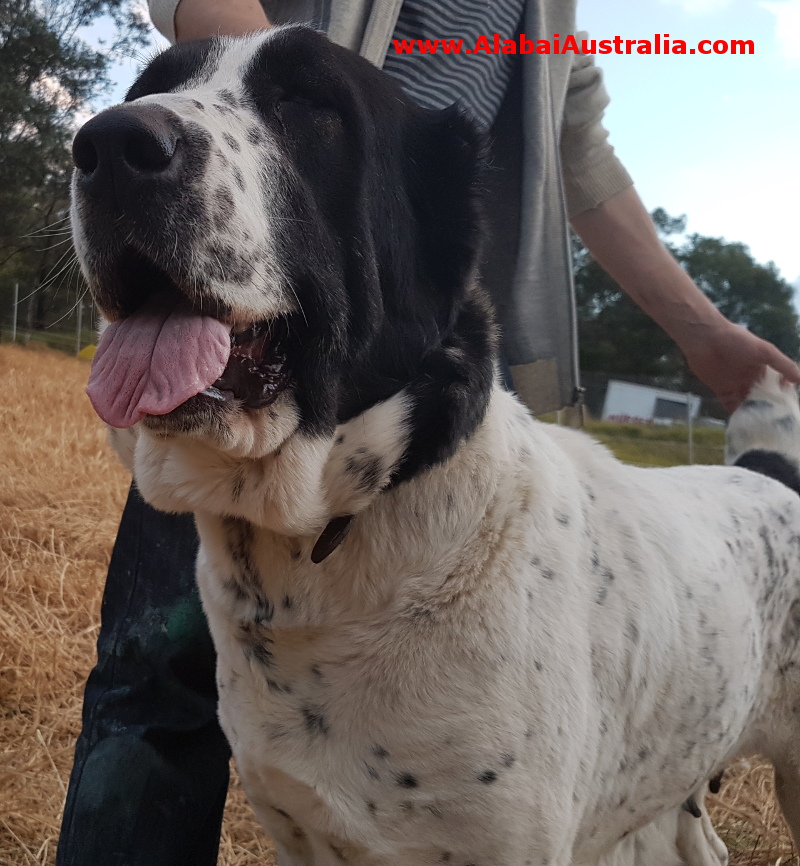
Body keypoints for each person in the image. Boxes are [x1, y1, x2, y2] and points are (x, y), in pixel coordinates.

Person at [56, 2, 800, 865]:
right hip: (273, 319)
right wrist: (256, 90)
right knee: (152, 691)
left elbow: (582, 151)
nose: (123, 142)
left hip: (408, 351)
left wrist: (709, 336)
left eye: (304, 106)